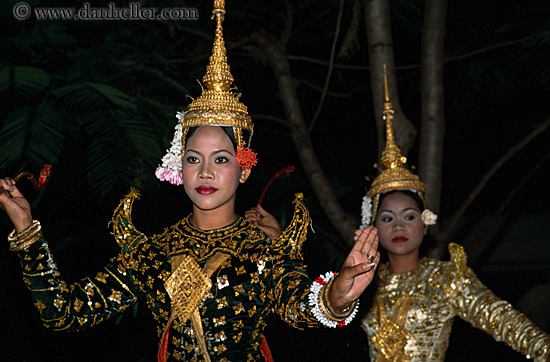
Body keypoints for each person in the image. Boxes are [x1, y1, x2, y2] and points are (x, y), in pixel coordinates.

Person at [0, 2, 380, 362]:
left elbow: (303, 308)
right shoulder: (152, 254)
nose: (205, 172)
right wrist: (27, 234)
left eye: (221, 159)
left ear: (244, 169)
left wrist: (336, 297)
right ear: (178, 168)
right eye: (193, 159)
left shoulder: (263, 253)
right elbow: (63, 313)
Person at [357, 74, 550, 361]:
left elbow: (507, 323)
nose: (398, 225)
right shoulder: (362, 283)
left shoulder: (447, 279)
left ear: (426, 222)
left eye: (408, 216)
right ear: (373, 228)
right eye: (387, 218)